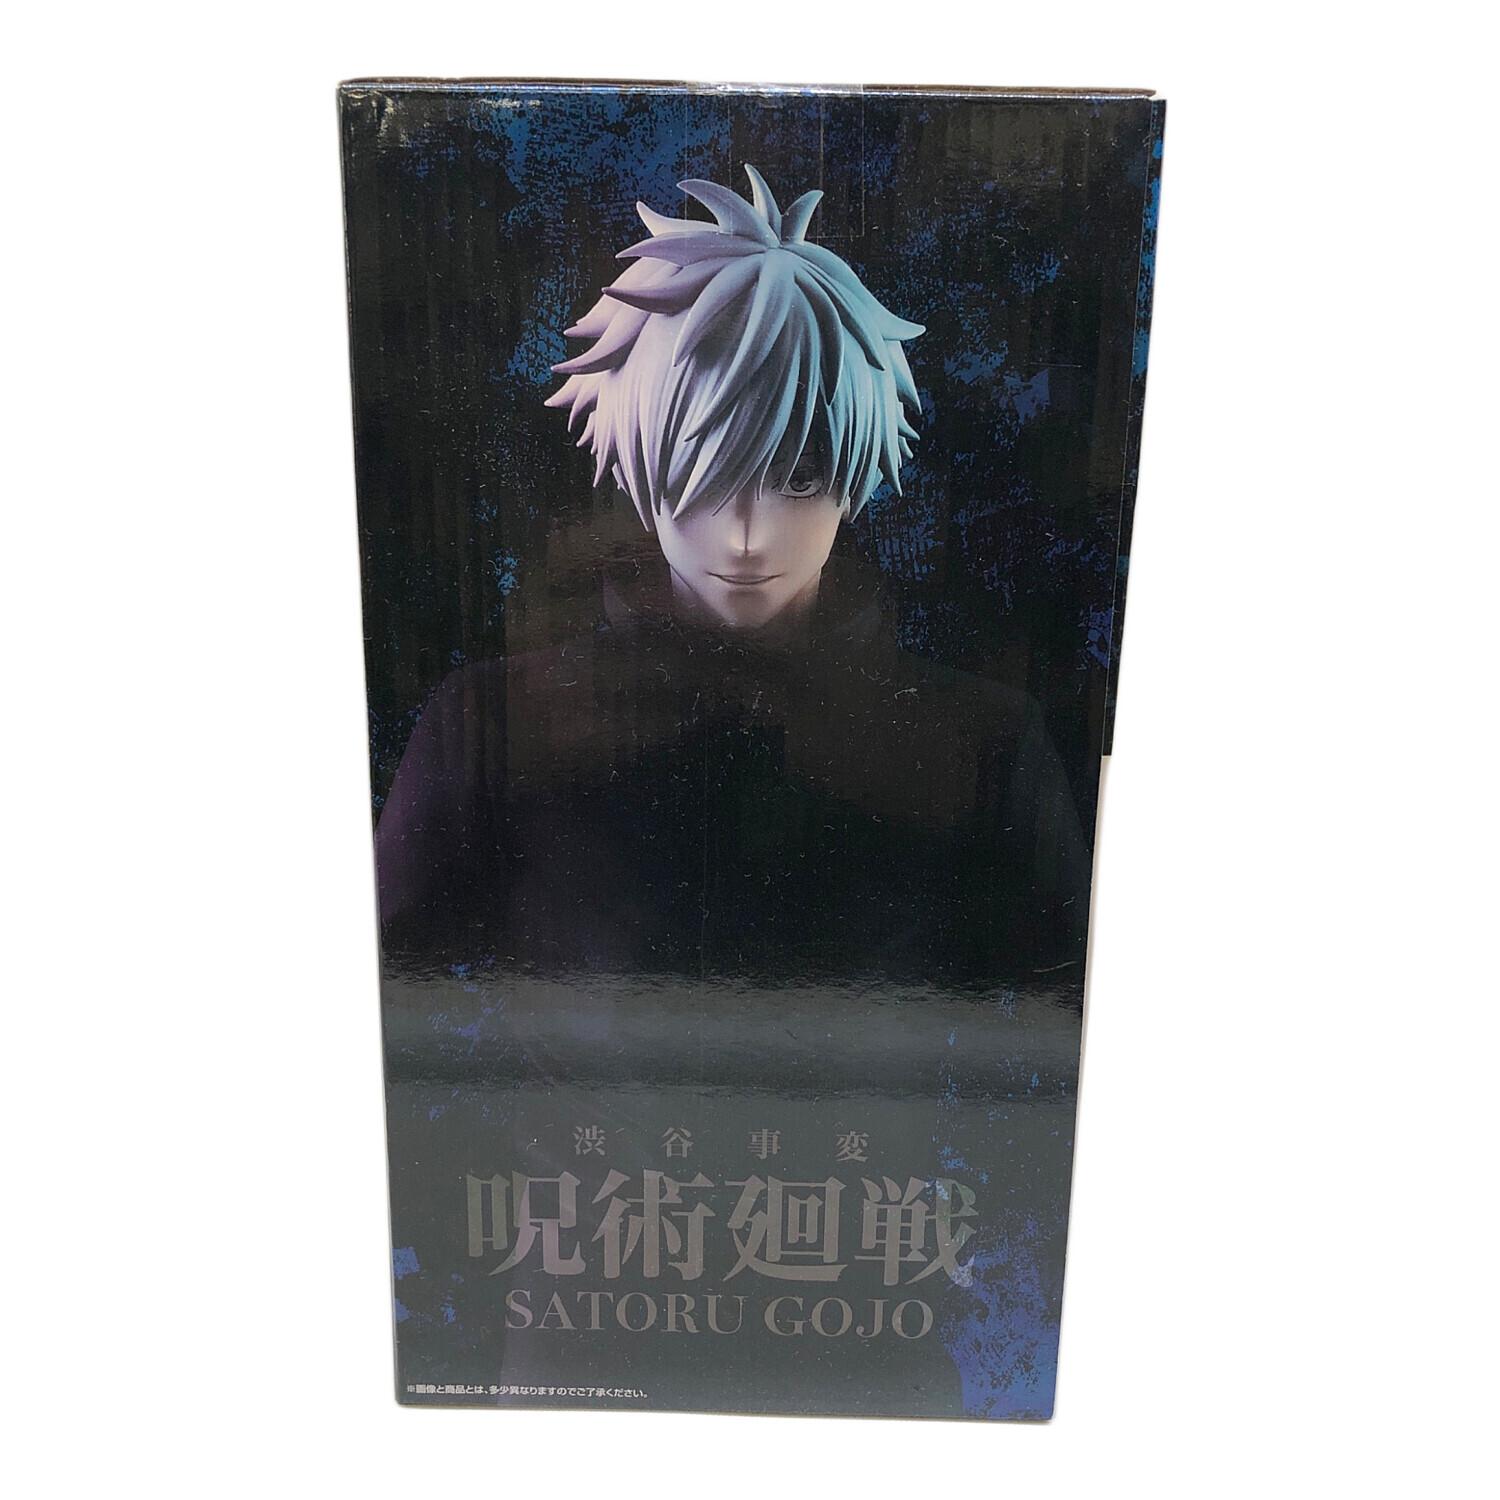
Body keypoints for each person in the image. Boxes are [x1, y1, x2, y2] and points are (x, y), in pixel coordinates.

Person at [375, 168, 1089, 988]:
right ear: (634, 463)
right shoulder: (489, 730)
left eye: (798, 478)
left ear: (858, 467)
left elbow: (1041, 1026)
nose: (746, 536)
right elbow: (413, 1016)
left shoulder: (987, 745)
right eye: (699, 475)